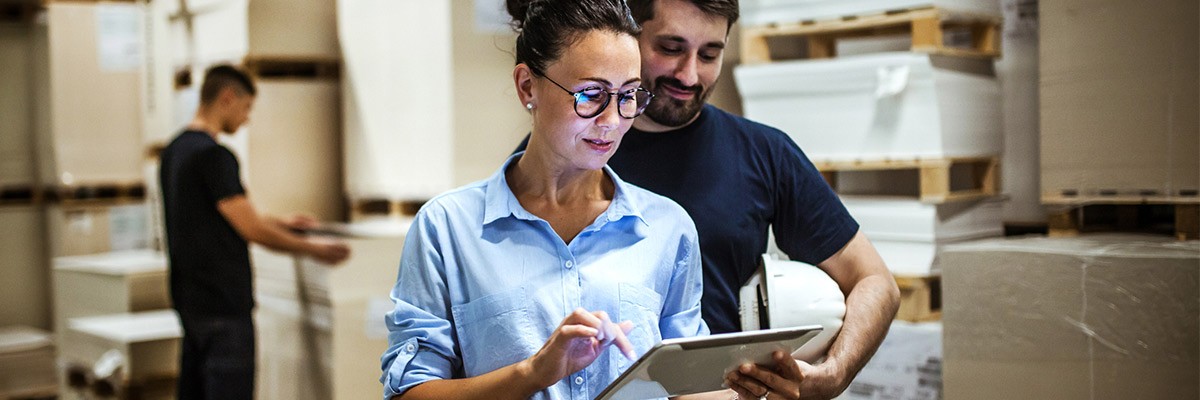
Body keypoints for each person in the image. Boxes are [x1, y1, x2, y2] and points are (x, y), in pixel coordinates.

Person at [512, 0, 902, 398]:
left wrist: (834, 374)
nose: (689, 75)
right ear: (629, 36)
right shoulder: (566, 149)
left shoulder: (763, 153)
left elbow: (874, 280)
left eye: (710, 55)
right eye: (670, 48)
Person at [378, 1, 719, 399]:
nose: (612, 121)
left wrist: (751, 384)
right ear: (528, 86)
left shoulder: (667, 227)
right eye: (591, 94)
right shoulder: (448, 227)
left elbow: (690, 384)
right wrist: (533, 372)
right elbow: (410, 392)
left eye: (628, 95)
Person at [158, 65, 351, 400]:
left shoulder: (175, 150)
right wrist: (315, 249)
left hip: (191, 304)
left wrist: (281, 222)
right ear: (227, 98)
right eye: (246, 107)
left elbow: (218, 215)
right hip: (224, 307)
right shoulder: (215, 155)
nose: (246, 119)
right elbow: (251, 228)